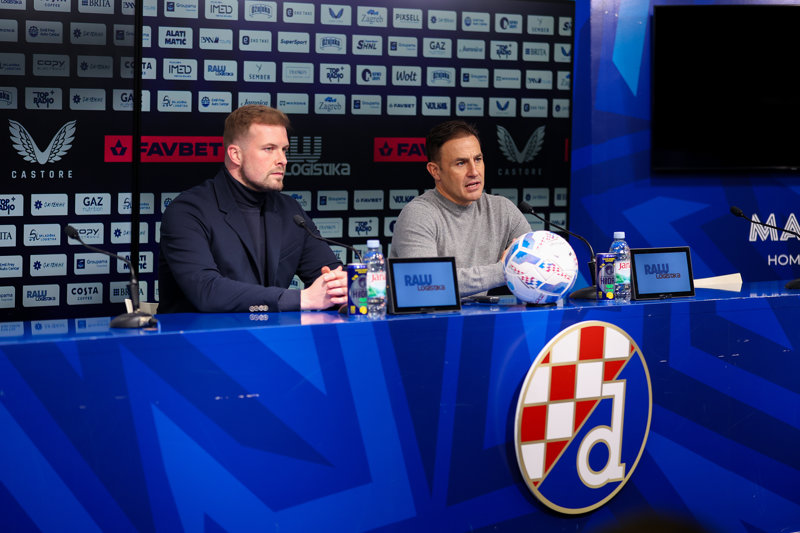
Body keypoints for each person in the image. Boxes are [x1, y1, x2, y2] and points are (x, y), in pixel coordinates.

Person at [158, 105, 347, 313]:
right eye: (269, 149)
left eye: (284, 150)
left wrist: (343, 286)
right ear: (236, 155)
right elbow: (206, 290)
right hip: (199, 333)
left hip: (272, 333)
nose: (283, 160)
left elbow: (329, 273)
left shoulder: (289, 210)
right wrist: (303, 299)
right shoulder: (187, 211)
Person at [390, 120, 531, 296]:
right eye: (461, 163)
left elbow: (538, 262)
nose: (474, 171)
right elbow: (428, 283)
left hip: (477, 313)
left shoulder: (502, 210)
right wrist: (503, 271)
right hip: (429, 314)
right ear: (435, 171)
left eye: (477, 159)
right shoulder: (419, 214)